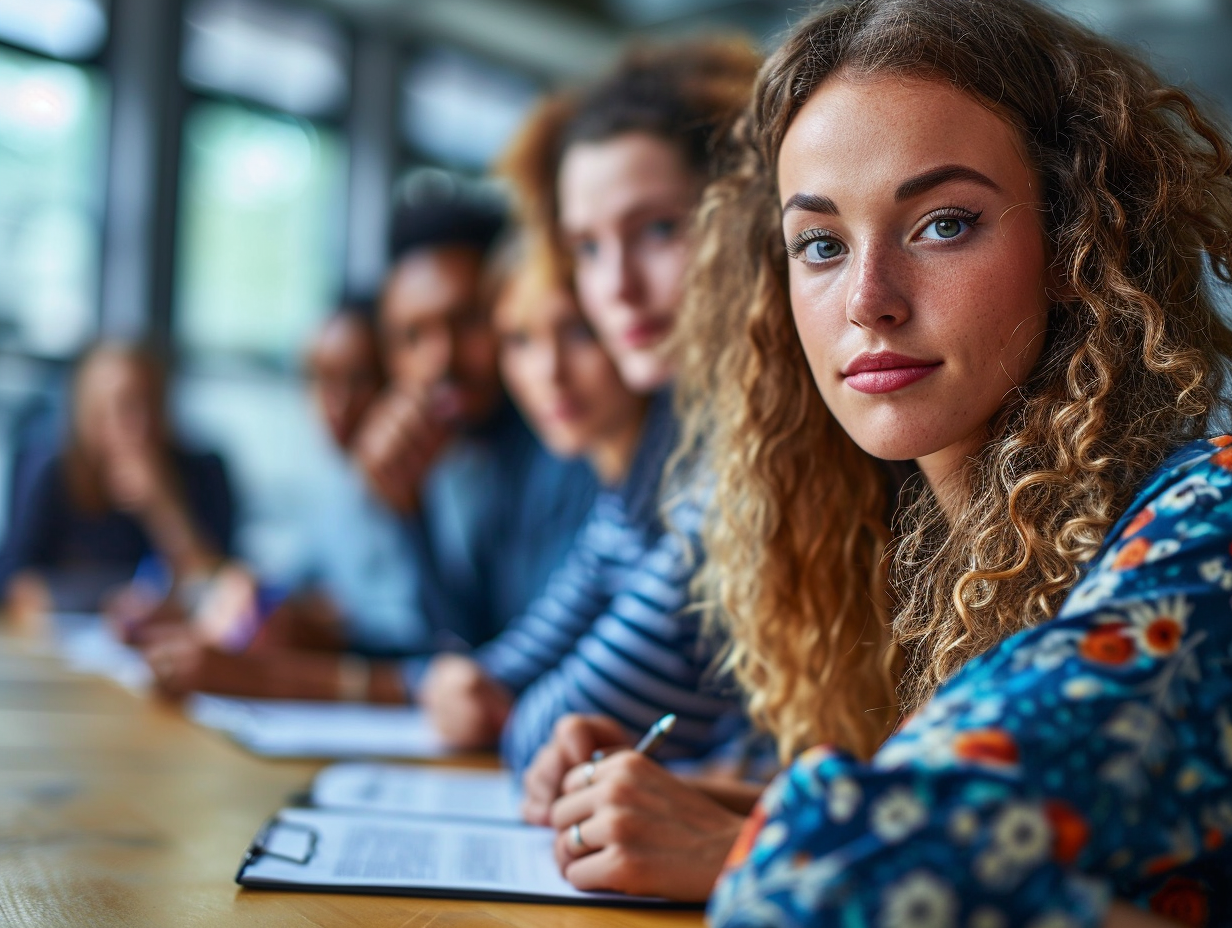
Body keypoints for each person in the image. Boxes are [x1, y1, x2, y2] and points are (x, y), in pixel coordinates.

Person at [548, 0, 1232, 920]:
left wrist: (740, 850)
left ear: (1077, 242)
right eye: (822, 245)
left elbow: (859, 881)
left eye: (943, 223)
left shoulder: (1211, 518)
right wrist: (752, 813)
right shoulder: (902, 548)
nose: (868, 300)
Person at [417, 42, 768, 775]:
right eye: (587, 247)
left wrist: (498, 707)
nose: (615, 288)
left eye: (659, 230)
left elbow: (549, 728)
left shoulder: (759, 446)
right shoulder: (678, 435)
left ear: (740, 215)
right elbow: (508, 667)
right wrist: (466, 687)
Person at [141, 191, 598, 701]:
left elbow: (501, 678)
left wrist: (276, 675)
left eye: (468, 322)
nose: (440, 362)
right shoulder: (457, 467)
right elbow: (466, 652)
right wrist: (409, 512)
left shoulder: (567, 457)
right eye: (412, 336)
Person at [0, 342, 233, 618]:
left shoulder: (203, 472)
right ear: (90, 413)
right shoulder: (50, 470)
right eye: (127, 405)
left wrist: (164, 507)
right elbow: (17, 585)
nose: (143, 424)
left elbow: (224, 591)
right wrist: (115, 598)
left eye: (154, 402)